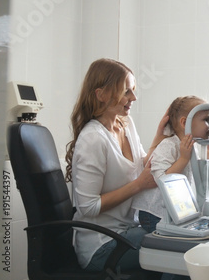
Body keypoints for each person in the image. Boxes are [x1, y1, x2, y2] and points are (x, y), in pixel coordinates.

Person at [64, 58, 168, 272]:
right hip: (102, 245)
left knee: (178, 241)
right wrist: (138, 185)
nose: (134, 98)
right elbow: (88, 206)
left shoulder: (126, 125)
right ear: (101, 94)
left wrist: (159, 137)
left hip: (128, 231)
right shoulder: (93, 139)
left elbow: (142, 166)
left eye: (133, 90)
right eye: (126, 91)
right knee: (173, 247)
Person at [132, 95, 209, 233]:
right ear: (184, 122)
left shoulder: (192, 148)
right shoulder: (168, 145)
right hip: (154, 214)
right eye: (205, 120)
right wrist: (183, 159)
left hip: (173, 211)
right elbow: (160, 178)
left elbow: (198, 178)